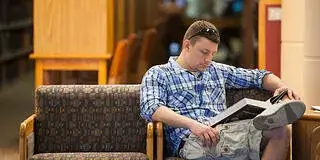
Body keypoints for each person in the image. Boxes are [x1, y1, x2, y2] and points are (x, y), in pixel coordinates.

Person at [140, 20, 305, 160]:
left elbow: (258, 76)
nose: (208, 60)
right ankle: (269, 116)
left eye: (212, 54)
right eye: (204, 52)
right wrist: (193, 125)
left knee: (282, 131)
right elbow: (152, 108)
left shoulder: (216, 70)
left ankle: (272, 109)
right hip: (193, 140)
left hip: (227, 131)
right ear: (187, 45)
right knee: (278, 132)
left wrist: (282, 86)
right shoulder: (159, 73)